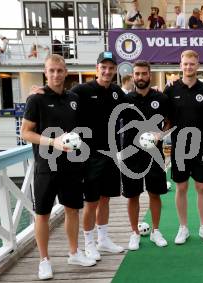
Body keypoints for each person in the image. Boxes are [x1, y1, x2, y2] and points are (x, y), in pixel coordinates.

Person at [21, 54, 96, 280]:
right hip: (46, 166)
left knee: (72, 210)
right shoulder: (36, 99)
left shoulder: (73, 98)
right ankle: (44, 260)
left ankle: (73, 252)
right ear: (45, 72)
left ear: (65, 72)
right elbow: (25, 133)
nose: (55, 74)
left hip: (71, 165)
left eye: (59, 70)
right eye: (51, 70)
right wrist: (53, 141)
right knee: (42, 214)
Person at [72, 52, 126, 260]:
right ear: (97, 68)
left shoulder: (116, 91)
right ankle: (89, 243)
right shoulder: (81, 90)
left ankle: (103, 240)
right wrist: (40, 93)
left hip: (111, 154)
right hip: (89, 156)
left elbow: (130, 108)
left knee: (106, 199)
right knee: (91, 201)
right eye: (103, 67)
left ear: (115, 71)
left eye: (111, 68)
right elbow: (63, 101)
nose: (107, 71)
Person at [163, 50, 203, 245]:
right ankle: (183, 227)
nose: (188, 67)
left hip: (202, 144)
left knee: (201, 187)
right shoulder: (170, 90)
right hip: (179, 145)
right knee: (181, 187)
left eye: (192, 64)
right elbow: (165, 119)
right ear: (180, 65)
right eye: (185, 64)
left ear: (198, 65)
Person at [122, 60, 169, 250]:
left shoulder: (161, 98)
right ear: (132, 76)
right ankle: (134, 233)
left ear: (150, 75)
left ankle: (156, 231)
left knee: (154, 194)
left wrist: (160, 134)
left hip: (154, 154)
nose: (140, 77)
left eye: (144, 73)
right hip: (131, 154)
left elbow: (169, 122)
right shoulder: (124, 99)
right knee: (132, 195)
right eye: (137, 74)